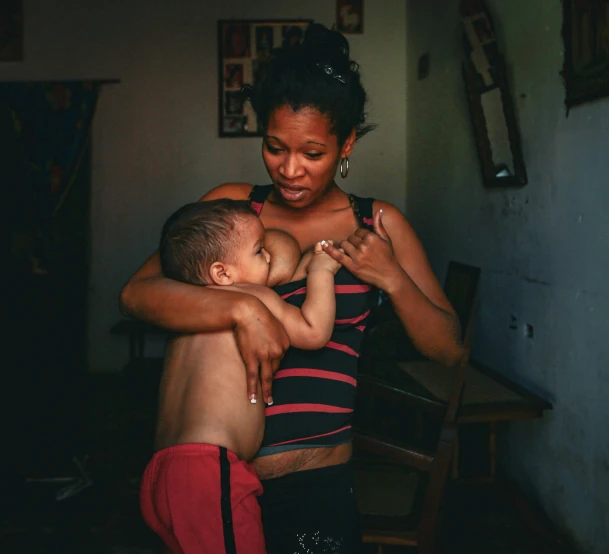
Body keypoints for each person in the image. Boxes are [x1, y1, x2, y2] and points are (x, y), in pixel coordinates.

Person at [120, 23, 465, 553]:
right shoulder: (237, 211)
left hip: (315, 487)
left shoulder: (378, 223)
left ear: (346, 144)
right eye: (275, 147)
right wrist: (243, 313)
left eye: (312, 153)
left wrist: (390, 276)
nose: (290, 169)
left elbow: (447, 348)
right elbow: (137, 295)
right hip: (215, 480)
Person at [139, 198, 342, 554]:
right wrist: (321, 272)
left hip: (160, 474)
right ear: (222, 274)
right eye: (259, 250)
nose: (269, 259)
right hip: (209, 474)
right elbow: (313, 332)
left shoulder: (190, 311)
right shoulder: (253, 295)